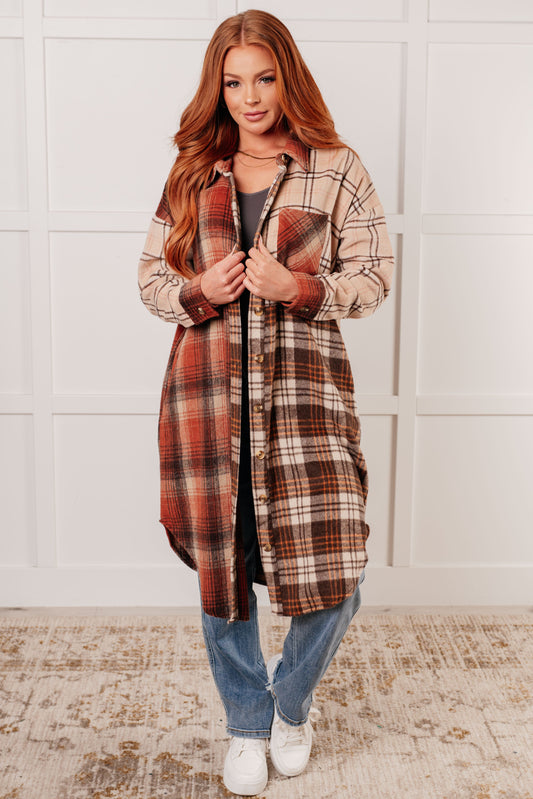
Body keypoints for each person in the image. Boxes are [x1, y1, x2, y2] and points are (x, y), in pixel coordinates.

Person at [138, 9, 394, 795]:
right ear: (218, 88)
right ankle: (247, 725)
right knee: (223, 574)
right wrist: (196, 291)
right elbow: (150, 279)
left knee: (337, 576)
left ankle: (288, 704)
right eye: (233, 81)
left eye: (263, 78)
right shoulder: (193, 171)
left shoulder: (336, 167)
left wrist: (301, 288)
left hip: (303, 408)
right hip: (207, 405)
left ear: (288, 76)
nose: (250, 97)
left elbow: (376, 275)